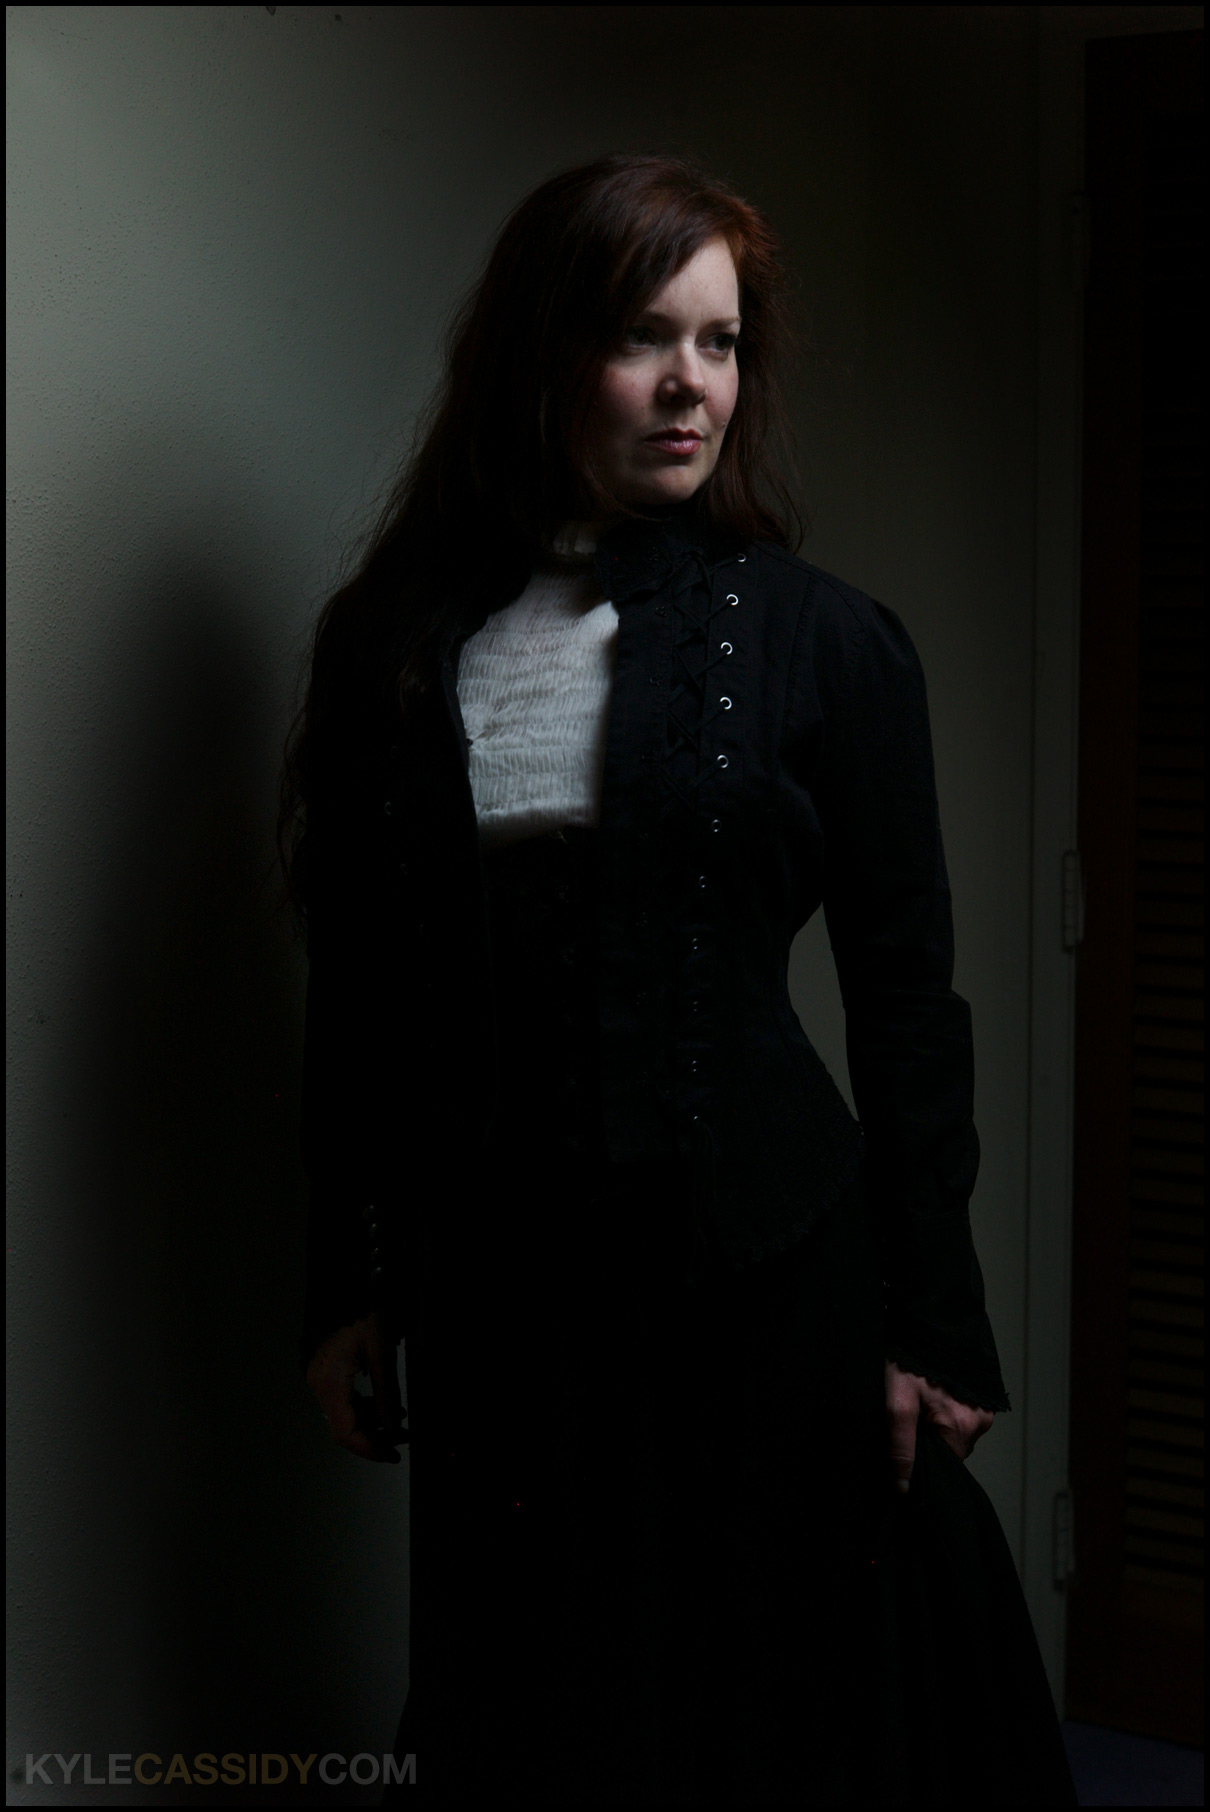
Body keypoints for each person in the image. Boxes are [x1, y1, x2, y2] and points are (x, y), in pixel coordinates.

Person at [280, 153, 1077, 1807]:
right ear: (542, 351)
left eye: (718, 344)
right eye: (644, 336)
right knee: (544, 1700)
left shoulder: (821, 639)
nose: (689, 385)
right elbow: (360, 986)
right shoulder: (394, 640)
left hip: (767, 1275)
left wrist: (932, 1323)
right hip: (500, 1290)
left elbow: (906, 1001)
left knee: (776, 1713)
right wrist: (344, 1275)